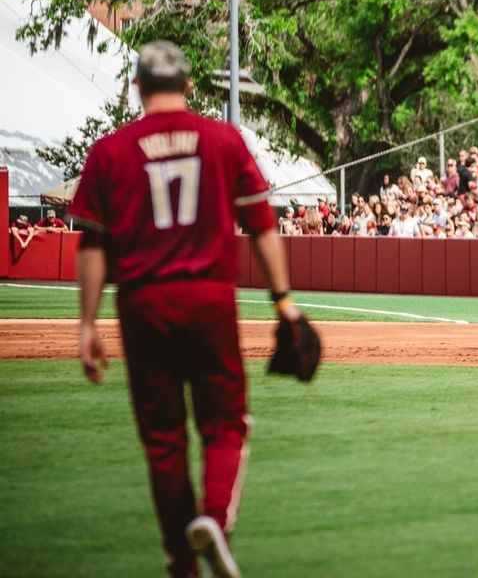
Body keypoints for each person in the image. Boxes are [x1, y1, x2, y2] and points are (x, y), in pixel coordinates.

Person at [68, 40, 313, 578]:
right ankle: (215, 521)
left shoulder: (110, 151)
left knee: (163, 441)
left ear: (137, 87)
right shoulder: (222, 139)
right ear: (188, 85)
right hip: (208, 300)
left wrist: (86, 325)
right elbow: (262, 225)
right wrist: (284, 304)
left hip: (142, 305)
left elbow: (92, 245)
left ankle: (181, 563)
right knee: (225, 425)